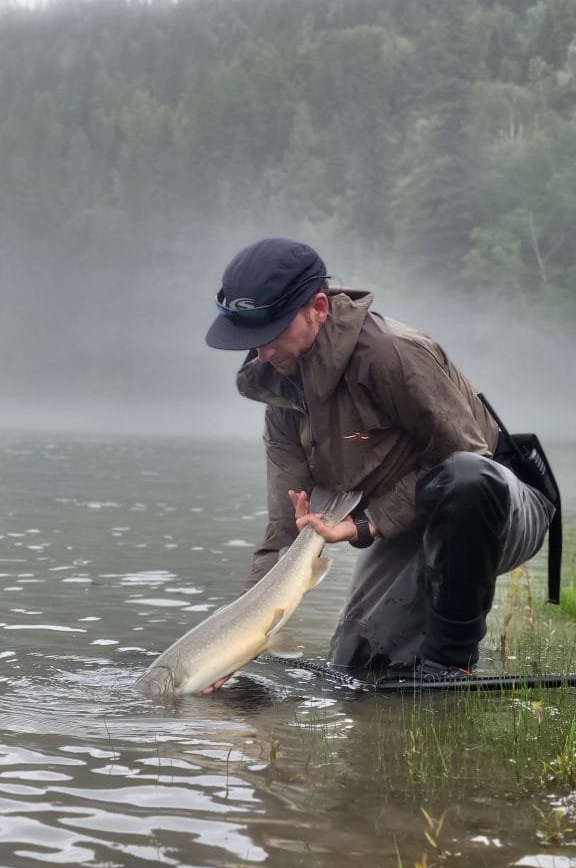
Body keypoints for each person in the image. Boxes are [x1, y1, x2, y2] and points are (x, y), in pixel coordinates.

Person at [205, 237, 555, 682]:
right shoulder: (281, 396)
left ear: (318, 307)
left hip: (499, 507)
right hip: (408, 525)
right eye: (250, 341)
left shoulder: (392, 353)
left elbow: (469, 456)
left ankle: (451, 663)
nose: (263, 352)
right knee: (359, 672)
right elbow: (280, 537)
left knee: (466, 478)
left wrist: (367, 524)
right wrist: (230, 647)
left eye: (271, 333)